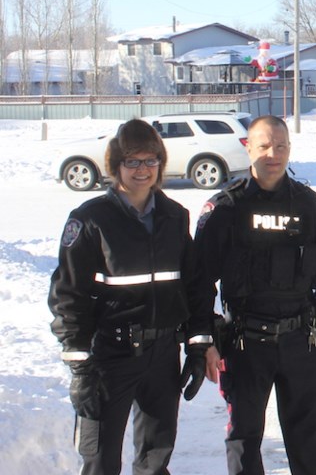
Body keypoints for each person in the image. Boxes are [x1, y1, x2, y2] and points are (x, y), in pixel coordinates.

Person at [48, 119, 214, 475]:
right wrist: (79, 365)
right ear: (115, 166)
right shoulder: (91, 220)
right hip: (111, 356)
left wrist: (198, 345)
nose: (143, 170)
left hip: (162, 357)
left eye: (150, 160)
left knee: (156, 458)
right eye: (132, 161)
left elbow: (196, 287)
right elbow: (68, 294)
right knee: (100, 458)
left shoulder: (174, 216)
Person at [195, 115, 316, 475]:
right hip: (245, 345)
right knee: (244, 439)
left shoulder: (308, 205)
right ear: (247, 147)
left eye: (281, 146)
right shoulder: (225, 211)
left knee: (308, 439)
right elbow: (200, 283)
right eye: (264, 145)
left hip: (302, 341)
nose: (273, 154)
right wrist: (203, 340)